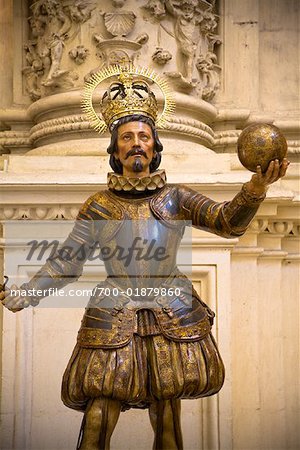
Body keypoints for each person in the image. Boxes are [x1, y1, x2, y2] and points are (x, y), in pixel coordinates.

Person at [0, 68, 289, 450]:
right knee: (99, 415)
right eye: (127, 137)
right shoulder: (100, 206)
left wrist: (254, 189)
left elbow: (225, 222)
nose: (136, 144)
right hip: (113, 312)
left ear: (155, 147)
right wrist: (24, 294)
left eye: (144, 137)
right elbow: (66, 262)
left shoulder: (175, 198)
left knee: (167, 419)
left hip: (170, 312)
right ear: (115, 148)